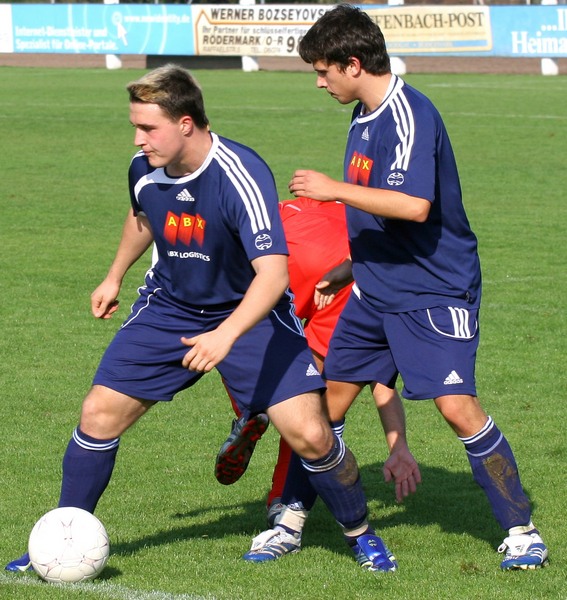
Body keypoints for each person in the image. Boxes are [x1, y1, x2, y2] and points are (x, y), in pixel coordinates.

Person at [6, 64, 399, 575]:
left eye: (148, 128)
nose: (138, 139)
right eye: (136, 126)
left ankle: (361, 535)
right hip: (168, 309)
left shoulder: (240, 173)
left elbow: (273, 276)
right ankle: (64, 540)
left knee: (312, 435)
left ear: (186, 123)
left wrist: (225, 335)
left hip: (250, 313)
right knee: (98, 414)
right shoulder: (144, 167)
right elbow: (143, 217)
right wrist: (114, 275)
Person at [245, 5, 549, 571]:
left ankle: (522, 531)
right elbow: (378, 211)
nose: (319, 82)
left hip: (433, 291)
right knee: (323, 408)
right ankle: (290, 519)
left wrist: (333, 189)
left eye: (323, 71)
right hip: (373, 289)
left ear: (352, 63)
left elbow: (413, 206)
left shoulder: (410, 115)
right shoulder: (362, 114)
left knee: (457, 408)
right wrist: (351, 266)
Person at [215, 197, 420, 528]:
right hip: (351, 273)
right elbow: (382, 383)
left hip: (289, 258)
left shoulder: (298, 205)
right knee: (307, 396)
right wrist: (398, 446)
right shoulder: (370, 218)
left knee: (226, 331)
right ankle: (282, 500)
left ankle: (251, 411)